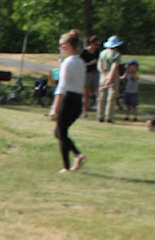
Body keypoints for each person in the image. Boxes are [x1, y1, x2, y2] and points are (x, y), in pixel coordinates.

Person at [48, 29, 86, 174]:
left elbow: (61, 87)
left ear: (69, 46)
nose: (60, 48)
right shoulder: (80, 62)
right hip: (77, 99)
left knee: (60, 132)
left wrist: (54, 108)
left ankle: (72, 161)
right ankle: (74, 159)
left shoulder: (67, 63)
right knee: (60, 132)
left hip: (68, 99)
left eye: (61, 45)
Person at [96, 35, 123, 123]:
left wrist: (104, 75)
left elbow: (99, 66)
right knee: (111, 97)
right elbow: (114, 67)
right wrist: (110, 78)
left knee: (101, 96)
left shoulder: (102, 53)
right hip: (113, 76)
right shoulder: (116, 54)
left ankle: (100, 115)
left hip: (103, 75)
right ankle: (109, 116)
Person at [80, 35, 100, 117]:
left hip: (95, 72)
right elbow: (81, 64)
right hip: (87, 73)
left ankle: (100, 111)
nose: (96, 46)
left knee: (97, 92)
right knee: (86, 93)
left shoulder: (97, 52)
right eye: (95, 44)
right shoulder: (84, 52)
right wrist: (90, 63)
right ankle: (85, 111)